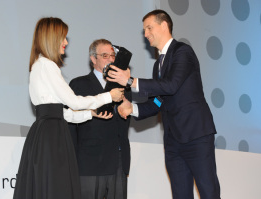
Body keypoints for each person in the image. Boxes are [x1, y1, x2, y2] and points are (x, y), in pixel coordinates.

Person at [107, 10, 221, 199]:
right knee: (180, 194)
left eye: (149, 28)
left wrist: (130, 81)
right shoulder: (157, 65)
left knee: (208, 192)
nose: (145, 34)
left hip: (196, 136)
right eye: (144, 30)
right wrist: (132, 108)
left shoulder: (183, 51)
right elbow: (160, 100)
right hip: (173, 141)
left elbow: (171, 85)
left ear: (164, 25)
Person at [13, 17, 124, 199]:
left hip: (48, 134)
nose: (65, 42)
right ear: (51, 38)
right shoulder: (47, 66)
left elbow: (61, 113)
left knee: (50, 187)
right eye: (63, 37)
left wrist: (90, 113)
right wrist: (108, 96)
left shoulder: (39, 65)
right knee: (56, 188)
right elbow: (73, 102)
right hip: (52, 137)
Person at [68, 39, 132, 199]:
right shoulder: (78, 85)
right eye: (105, 55)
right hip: (89, 163)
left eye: (113, 56)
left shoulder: (123, 84)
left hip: (118, 161)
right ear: (93, 59)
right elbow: (70, 126)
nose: (111, 59)